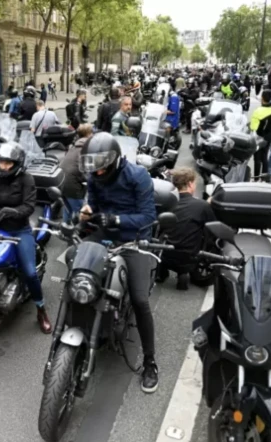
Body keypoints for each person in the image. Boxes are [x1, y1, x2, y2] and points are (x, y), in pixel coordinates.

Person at [77, 132, 159, 393]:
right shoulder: (94, 177)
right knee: (78, 273)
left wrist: (116, 220)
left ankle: (150, 362)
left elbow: (148, 217)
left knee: (140, 299)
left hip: (136, 240)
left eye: (101, 167)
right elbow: (96, 207)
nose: (97, 173)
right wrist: (88, 214)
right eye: (93, 167)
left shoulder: (138, 176)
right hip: (106, 235)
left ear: (113, 160)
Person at [0, 142, 51, 333]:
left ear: (17, 163)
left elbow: (29, 206)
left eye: (9, 163)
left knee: (29, 272)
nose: (5, 166)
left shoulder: (27, 179)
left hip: (20, 231)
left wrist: (13, 212)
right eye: (2, 162)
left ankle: (41, 309)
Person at [157, 168, 215, 290]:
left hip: (164, 253)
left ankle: (161, 271)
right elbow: (213, 227)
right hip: (189, 257)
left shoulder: (165, 203)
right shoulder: (201, 205)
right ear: (189, 183)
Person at [59, 124, 91, 222]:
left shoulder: (75, 145)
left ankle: (65, 230)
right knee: (81, 212)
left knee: (67, 208)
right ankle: (77, 233)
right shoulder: (86, 148)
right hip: (72, 185)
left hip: (61, 181)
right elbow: (86, 170)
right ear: (89, 134)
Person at [250, 89, 271, 181]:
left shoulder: (258, 110)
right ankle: (265, 178)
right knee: (264, 157)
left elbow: (254, 126)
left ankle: (256, 178)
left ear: (262, 98)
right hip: (269, 135)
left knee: (257, 158)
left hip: (259, 136)